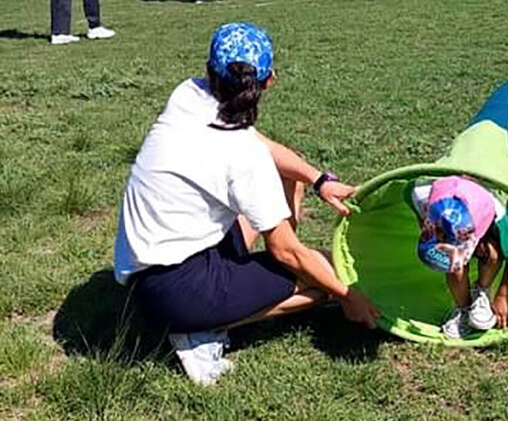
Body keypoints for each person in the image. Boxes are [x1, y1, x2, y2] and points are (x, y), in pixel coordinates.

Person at [113, 22, 380, 385]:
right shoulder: (242, 156)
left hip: (151, 266)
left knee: (292, 177)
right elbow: (287, 251)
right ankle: (200, 330)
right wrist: (347, 295)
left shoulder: (189, 94)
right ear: (270, 80)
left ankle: (236, 292)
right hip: (176, 293)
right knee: (326, 276)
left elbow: (265, 147)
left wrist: (320, 180)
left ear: (209, 72)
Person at [412, 176, 508, 339]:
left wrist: (503, 296)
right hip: (451, 199)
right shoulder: (420, 193)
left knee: (492, 252)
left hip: (483, 214)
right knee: (453, 265)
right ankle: (463, 307)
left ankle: (481, 291)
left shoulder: (499, 215)